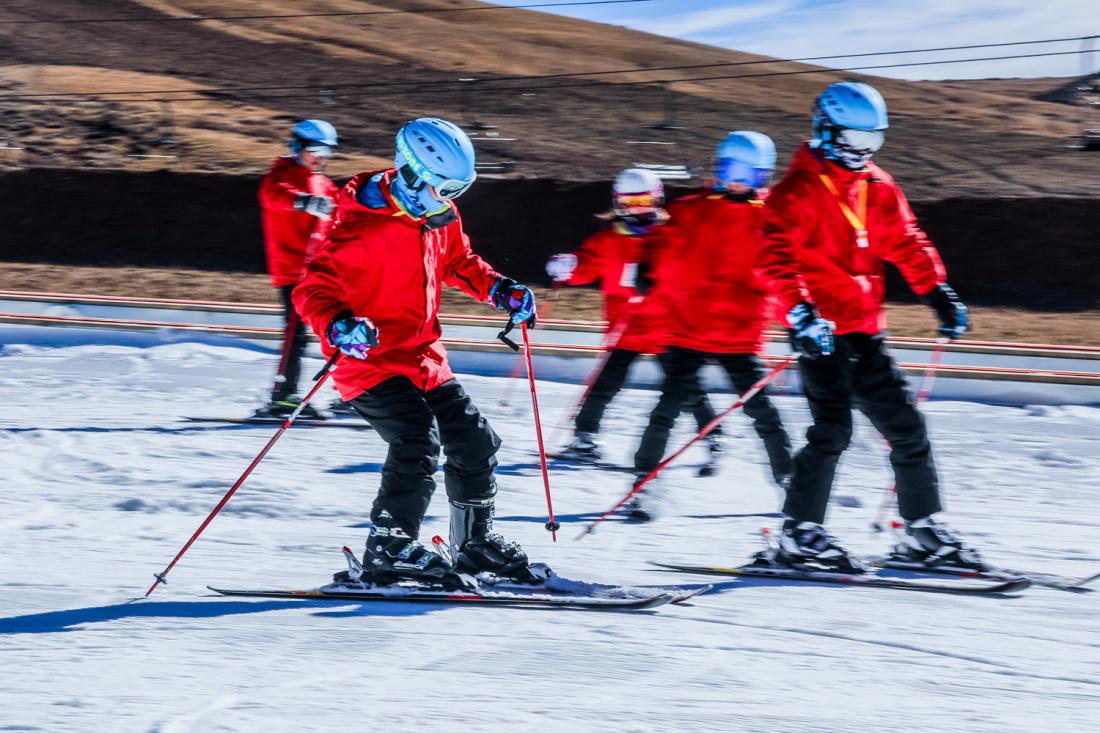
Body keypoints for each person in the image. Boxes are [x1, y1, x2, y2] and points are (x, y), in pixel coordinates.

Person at [294, 117, 541, 585]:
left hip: (423, 357)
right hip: (367, 360)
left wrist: (501, 290)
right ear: (411, 173)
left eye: (456, 190)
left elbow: (459, 262)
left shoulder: (438, 214)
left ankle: (474, 544)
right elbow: (310, 291)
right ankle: (388, 547)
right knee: (416, 439)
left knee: (475, 440)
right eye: (440, 187)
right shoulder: (351, 224)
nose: (446, 199)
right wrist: (339, 325)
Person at [757, 81, 979, 572]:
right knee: (832, 431)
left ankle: (921, 530)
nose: (862, 153)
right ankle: (799, 533)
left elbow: (906, 239)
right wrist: (800, 314)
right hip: (821, 333)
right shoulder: (797, 192)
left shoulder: (877, 185)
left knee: (907, 428)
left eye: (873, 142)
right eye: (853, 140)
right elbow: (774, 260)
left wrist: (936, 291)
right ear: (824, 131)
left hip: (864, 330)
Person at [628, 132, 794, 521]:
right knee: (665, 410)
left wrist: (796, 319)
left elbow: (784, 273)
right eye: (727, 170)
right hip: (688, 330)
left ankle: (791, 485)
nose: (734, 181)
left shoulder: (771, 219)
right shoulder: (691, 210)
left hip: (740, 336)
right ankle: (642, 484)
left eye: (745, 174)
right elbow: (660, 241)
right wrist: (647, 268)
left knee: (765, 416)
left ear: (762, 176)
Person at [546, 168, 722, 470]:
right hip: (626, 328)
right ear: (618, 204)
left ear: (657, 200)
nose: (637, 208)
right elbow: (588, 265)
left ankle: (712, 433)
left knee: (685, 385)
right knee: (604, 385)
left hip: (666, 328)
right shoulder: (609, 240)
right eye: (629, 202)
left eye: (644, 201)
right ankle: (585, 437)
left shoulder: (670, 235)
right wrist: (569, 267)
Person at [256, 119, 340, 419]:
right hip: (292, 271)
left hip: (323, 273)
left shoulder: (323, 182)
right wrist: (304, 202)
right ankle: (283, 395)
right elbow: (272, 196)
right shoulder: (280, 175)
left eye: (327, 152)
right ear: (297, 147)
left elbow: (342, 210)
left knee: (343, 329)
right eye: (315, 150)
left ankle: (350, 392)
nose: (321, 157)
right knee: (297, 334)